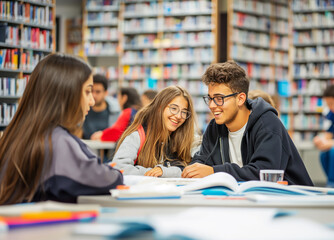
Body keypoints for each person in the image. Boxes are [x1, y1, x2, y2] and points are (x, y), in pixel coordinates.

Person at [0, 53, 123, 204]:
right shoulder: (56, 140)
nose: (91, 101)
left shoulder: (16, 134)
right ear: (66, 94)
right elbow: (105, 179)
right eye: (87, 91)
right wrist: (117, 173)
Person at [182, 60, 313, 186]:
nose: (211, 105)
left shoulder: (267, 124)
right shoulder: (214, 127)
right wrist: (194, 169)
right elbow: (202, 160)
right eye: (210, 98)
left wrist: (214, 172)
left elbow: (264, 173)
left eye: (219, 99)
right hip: (245, 199)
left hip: (292, 198)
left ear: (240, 99)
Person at [111, 86, 195, 177]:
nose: (179, 116)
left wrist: (164, 172)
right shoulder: (137, 136)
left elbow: (194, 169)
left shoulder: (186, 139)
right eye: (174, 108)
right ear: (159, 108)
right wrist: (154, 172)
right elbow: (118, 168)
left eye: (184, 112)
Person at [82, 74, 120, 139]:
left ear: (106, 93)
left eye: (98, 92)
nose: (94, 95)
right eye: (91, 91)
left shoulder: (116, 112)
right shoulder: (83, 111)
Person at [313, 85, 334, 187]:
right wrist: (320, 141)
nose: (331, 107)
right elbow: (328, 135)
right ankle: (329, 182)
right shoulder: (331, 114)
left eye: (332, 103)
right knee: (324, 153)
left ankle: (331, 184)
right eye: (328, 104)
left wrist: (330, 143)